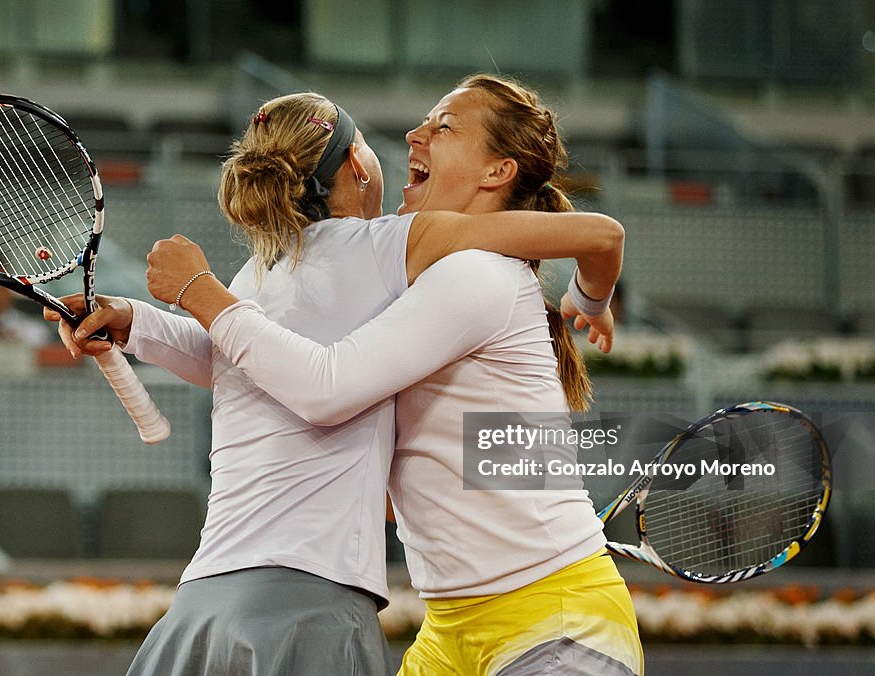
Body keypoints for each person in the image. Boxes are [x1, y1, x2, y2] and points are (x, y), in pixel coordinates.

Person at [49, 89, 624, 675]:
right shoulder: (326, 267)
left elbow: (323, 385)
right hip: (450, 624)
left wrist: (201, 292)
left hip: (547, 612)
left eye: (444, 127)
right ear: (352, 166)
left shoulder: (471, 272)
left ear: (498, 170)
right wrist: (137, 322)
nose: (412, 137)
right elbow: (249, 358)